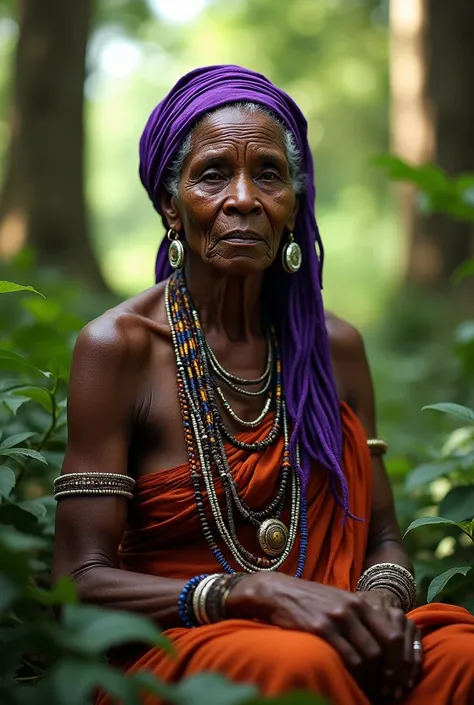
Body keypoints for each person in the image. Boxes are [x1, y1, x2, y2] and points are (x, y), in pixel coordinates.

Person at [52, 65, 474, 705]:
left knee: (462, 655)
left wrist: (380, 605)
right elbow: (78, 581)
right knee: (296, 663)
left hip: (332, 624)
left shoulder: (333, 349)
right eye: (214, 173)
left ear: (293, 205)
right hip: (182, 640)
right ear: (171, 203)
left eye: (269, 174)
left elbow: (382, 531)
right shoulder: (120, 349)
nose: (244, 197)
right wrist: (243, 591)